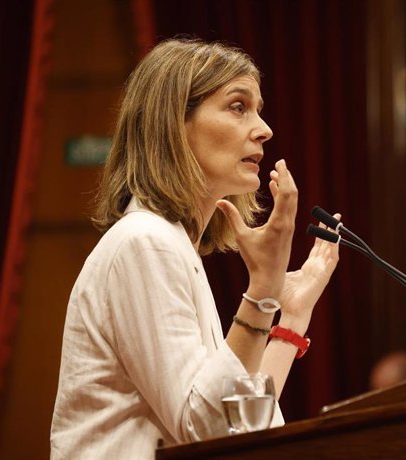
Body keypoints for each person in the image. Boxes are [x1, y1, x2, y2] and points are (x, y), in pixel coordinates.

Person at [50, 38, 340, 458]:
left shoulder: (171, 245)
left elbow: (243, 424)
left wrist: (291, 314)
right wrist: (260, 291)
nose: (264, 129)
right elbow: (205, 429)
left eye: (257, 109)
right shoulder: (145, 243)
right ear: (173, 122)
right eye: (238, 106)